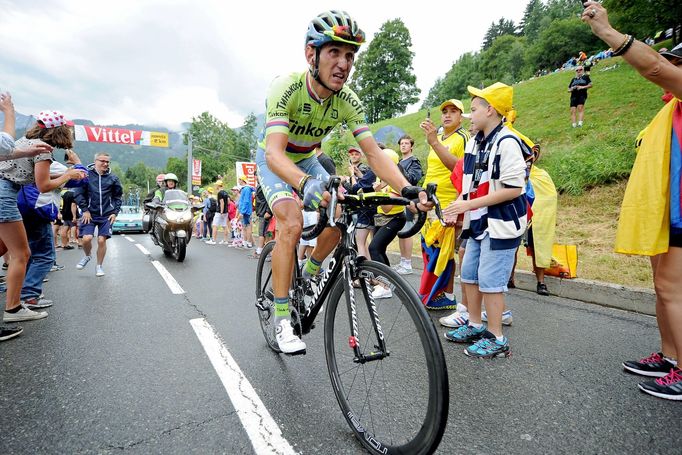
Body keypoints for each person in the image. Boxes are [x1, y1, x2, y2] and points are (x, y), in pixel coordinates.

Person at [256, 10, 429, 354]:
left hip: (306, 158)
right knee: (289, 223)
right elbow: (275, 154)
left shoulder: (348, 101)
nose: (343, 63)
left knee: (343, 209)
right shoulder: (285, 87)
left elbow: (375, 155)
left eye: (349, 55)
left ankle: (309, 270)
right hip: (275, 157)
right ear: (311, 55)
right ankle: (280, 319)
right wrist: (305, 184)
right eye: (334, 52)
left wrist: (407, 190)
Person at [582, 1, 682, 400]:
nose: (671, 67)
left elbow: (653, 67)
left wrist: (608, 33)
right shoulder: (671, 108)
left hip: (680, 213)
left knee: (673, 289)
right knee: (663, 286)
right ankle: (670, 357)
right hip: (667, 212)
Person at [442, 82, 528, 358]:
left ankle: (497, 337)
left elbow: (515, 189)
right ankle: (475, 324)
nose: (469, 114)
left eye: (474, 108)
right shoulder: (476, 143)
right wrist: (458, 211)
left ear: (491, 110)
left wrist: (468, 205)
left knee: (490, 281)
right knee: (469, 275)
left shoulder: (508, 141)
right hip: (477, 221)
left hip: (500, 223)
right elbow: (468, 185)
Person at [0, 109, 86, 336]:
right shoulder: (43, 151)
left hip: (6, 192)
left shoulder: (25, 140)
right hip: (6, 195)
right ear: (59, 130)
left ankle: (17, 303)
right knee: (22, 254)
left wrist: (8, 111)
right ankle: (14, 307)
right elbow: (43, 185)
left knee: (3, 248)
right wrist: (68, 175)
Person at [418, 99, 470, 310]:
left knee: (446, 252)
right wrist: (422, 193)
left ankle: (447, 296)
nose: (447, 115)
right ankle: (432, 293)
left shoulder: (464, 137)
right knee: (430, 249)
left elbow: (460, 170)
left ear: (461, 116)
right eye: (444, 111)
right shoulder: (437, 137)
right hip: (431, 201)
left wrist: (434, 143)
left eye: (453, 111)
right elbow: (432, 170)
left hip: (449, 203)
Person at [74, 152, 123, 277]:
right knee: (86, 239)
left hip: (106, 215)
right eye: (102, 161)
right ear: (95, 161)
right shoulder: (86, 176)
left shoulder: (113, 178)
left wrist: (115, 213)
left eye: (107, 162)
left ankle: (99, 266)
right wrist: (85, 210)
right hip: (89, 214)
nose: (105, 164)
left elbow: (118, 196)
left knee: (102, 240)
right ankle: (87, 256)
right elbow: (78, 194)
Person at [368, 148, 407, 299]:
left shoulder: (395, 180)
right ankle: (388, 283)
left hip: (394, 218)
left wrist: (379, 193)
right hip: (381, 218)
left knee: (374, 248)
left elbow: (387, 207)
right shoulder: (380, 177)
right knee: (380, 250)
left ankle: (383, 286)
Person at [394, 134, 423, 275]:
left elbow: (413, 179)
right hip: (399, 199)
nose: (403, 145)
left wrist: (399, 167)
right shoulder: (399, 161)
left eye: (406, 143)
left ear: (411, 146)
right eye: (401, 143)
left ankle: (408, 263)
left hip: (409, 199)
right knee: (401, 231)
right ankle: (402, 261)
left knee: (407, 229)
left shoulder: (414, 162)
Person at [237, 176, 254, 248]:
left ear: (242, 180)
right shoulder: (245, 189)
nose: (238, 181)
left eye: (239, 180)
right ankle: (245, 242)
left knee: (248, 227)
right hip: (245, 211)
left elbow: (246, 201)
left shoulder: (246, 189)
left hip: (246, 211)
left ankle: (248, 242)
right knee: (244, 227)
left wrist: (242, 212)